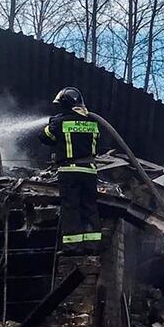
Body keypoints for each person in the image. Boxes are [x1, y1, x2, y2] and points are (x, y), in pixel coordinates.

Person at [39, 87, 102, 256]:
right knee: (89, 207)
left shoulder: (60, 122)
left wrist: (52, 123)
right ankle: (92, 246)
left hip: (70, 171)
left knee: (71, 208)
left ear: (65, 104)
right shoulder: (93, 122)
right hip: (90, 171)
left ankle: (72, 247)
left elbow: (45, 137)